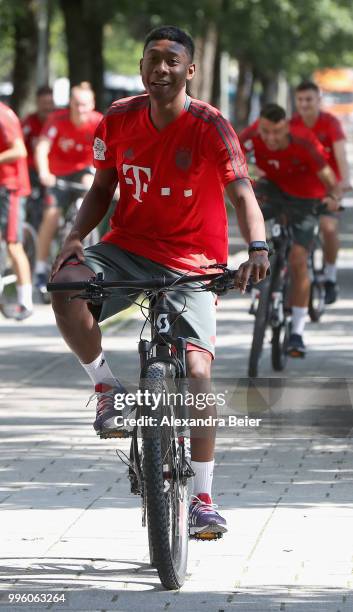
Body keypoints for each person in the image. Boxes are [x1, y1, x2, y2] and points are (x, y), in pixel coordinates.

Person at [50, 26, 269, 537]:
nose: (162, 68)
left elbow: (241, 193)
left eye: (173, 60)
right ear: (143, 66)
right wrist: (74, 235)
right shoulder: (119, 119)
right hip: (127, 249)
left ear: (189, 70)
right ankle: (106, 386)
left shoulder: (210, 125)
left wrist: (256, 248)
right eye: (154, 59)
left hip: (193, 263)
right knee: (65, 287)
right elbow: (102, 186)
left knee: (196, 373)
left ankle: (203, 498)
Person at [239, 103, 340, 357]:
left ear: (286, 127)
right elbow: (230, 159)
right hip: (273, 189)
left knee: (297, 260)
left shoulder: (305, 142)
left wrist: (333, 198)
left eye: (276, 132)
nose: (270, 138)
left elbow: (330, 180)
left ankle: (296, 331)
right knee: (247, 207)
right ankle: (257, 259)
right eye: (265, 132)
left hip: (306, 199)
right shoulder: (252, 135)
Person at [34, 82, 102, 294]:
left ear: (92, 105)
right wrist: (44, 172)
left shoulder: (99, 122)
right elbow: (42, 147)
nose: (80, 109)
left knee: (87, 192)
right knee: (51, 215)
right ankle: (40, 266)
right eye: (76, 104)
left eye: (85, 105)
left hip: (85, 171)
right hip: (58, 175)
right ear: (70, 103)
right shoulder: (57, 120)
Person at [292, 80, 351, 304]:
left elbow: (342, 160)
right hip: (299, 189)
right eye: (300, 100)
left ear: (319, 100)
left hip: (328, 188)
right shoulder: (292, 124)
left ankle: (330, 275)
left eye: (309, 99)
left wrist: (343, 184)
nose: (305, 104)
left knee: (328, 226)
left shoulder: (331, 123)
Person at [0, 101, 33, 320]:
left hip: (10, 186)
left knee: (13, 243)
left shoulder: (3, 115)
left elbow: (19, 150)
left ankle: (25, 302)